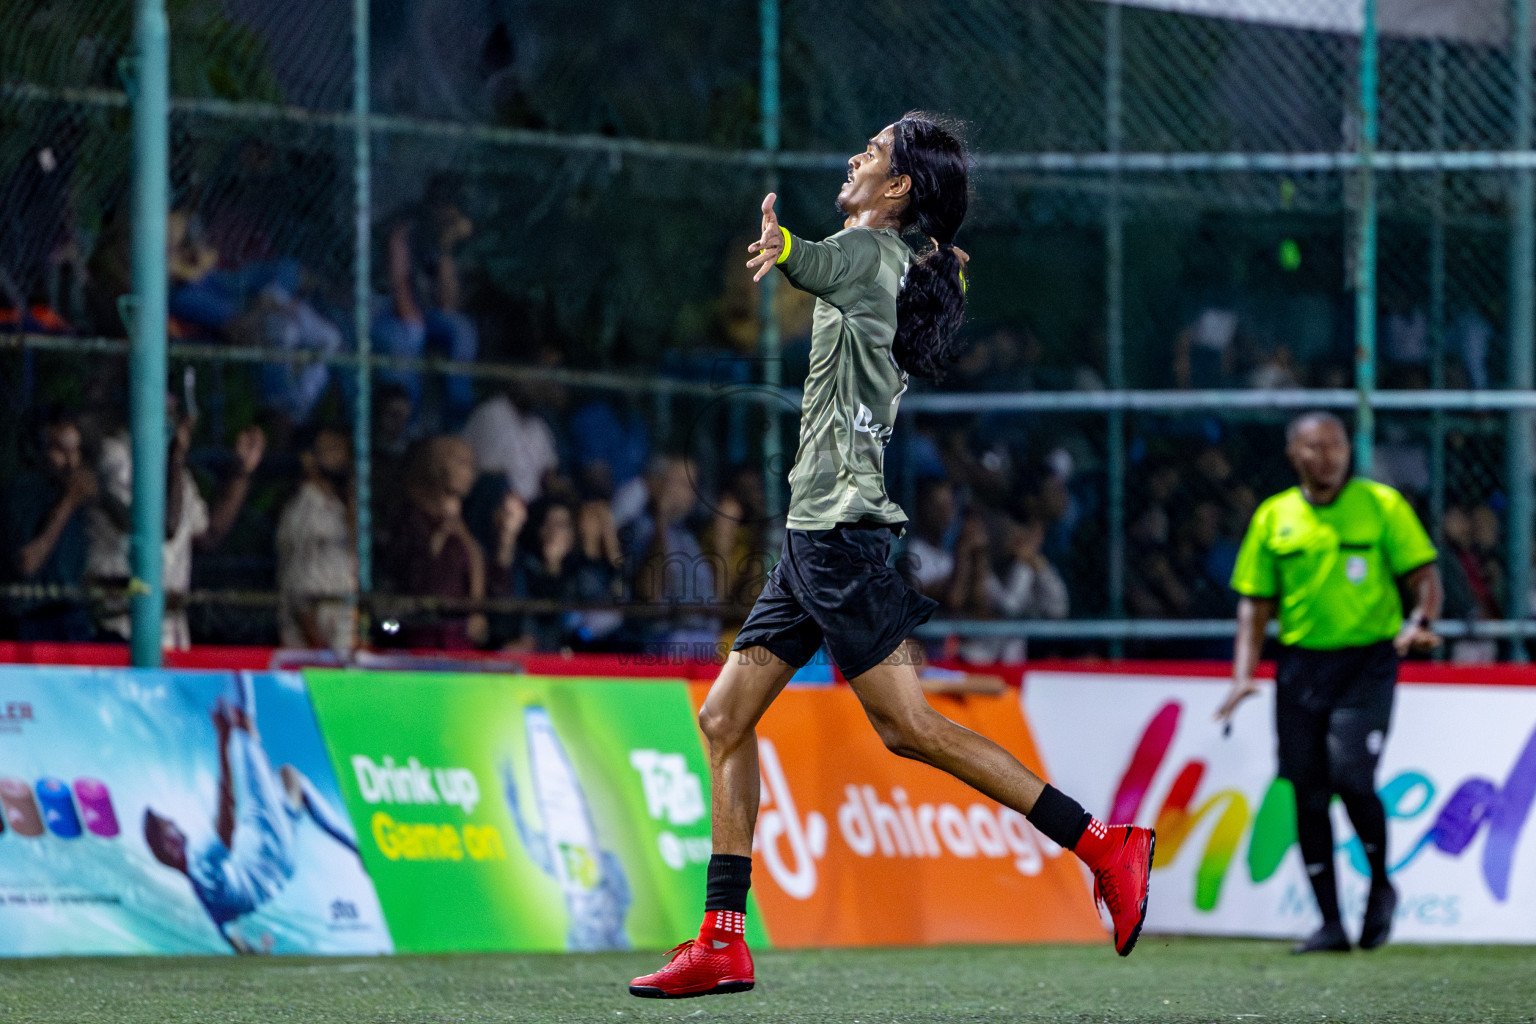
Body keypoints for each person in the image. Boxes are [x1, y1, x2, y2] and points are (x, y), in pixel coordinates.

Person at [628, 113, 1154, 1001]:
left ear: (899, 186)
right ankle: (723, 939)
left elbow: (823, 264)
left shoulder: (870, 256)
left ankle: (1103, 844)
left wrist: (785, 244)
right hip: (814, 542)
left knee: (910, 728)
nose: (853, 158)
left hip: (836, 540)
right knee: (724, 720)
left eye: (870, 153)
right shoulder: (899, 266)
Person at [1216, 412, 1442, 954]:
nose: (1329, 456)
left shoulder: (1381, 506)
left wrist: (1422, 621)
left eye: (1337, 445)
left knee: (1352, 775)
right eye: (1316, 447)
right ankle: (1330, 923)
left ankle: (1382, 884)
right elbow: (1255, 604)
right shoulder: (1275, 517)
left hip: (1367, 663)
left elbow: (1424, 576)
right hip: (1300, 667)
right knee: (1307, 789)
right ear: (1295, 453)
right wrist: (1244, 675)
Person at [143, 677, 361, 952]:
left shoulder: (202, 892)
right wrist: (223, 741)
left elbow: (228, 934)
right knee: (244, 724)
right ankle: (239, 662)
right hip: (266, 842)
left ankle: (357, 847)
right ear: (170, 847)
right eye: (168, 826)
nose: (175, 823)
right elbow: (227, 820)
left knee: (290, 779)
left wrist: (251, 952)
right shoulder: (200, 862)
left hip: (278, 868)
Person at [86, 400, 266, 650]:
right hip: (122, 631)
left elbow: (208, 536)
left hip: (172, 635)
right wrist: (177, 455)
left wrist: (241, 473)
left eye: (174, 414)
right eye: (162, 412)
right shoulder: (116, 456)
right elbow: (163, 529)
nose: (171, 423)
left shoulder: (176, 474)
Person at [3, 408, 98, 641]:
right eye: (60, 451)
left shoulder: (78, 500)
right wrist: (68, 503)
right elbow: (27, 563)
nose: (70, 463)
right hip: (33, 624)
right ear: (40, 451)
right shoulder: (24, 493)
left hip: (73, 620)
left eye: (75, 452)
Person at [275, 425, 358, 653]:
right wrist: (320, 651)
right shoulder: (305, 509)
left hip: (338, 646)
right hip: (315, 652)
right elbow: (299, 589)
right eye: (331, 449)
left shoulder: (337, 508)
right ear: (309, 459)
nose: (341, 456)